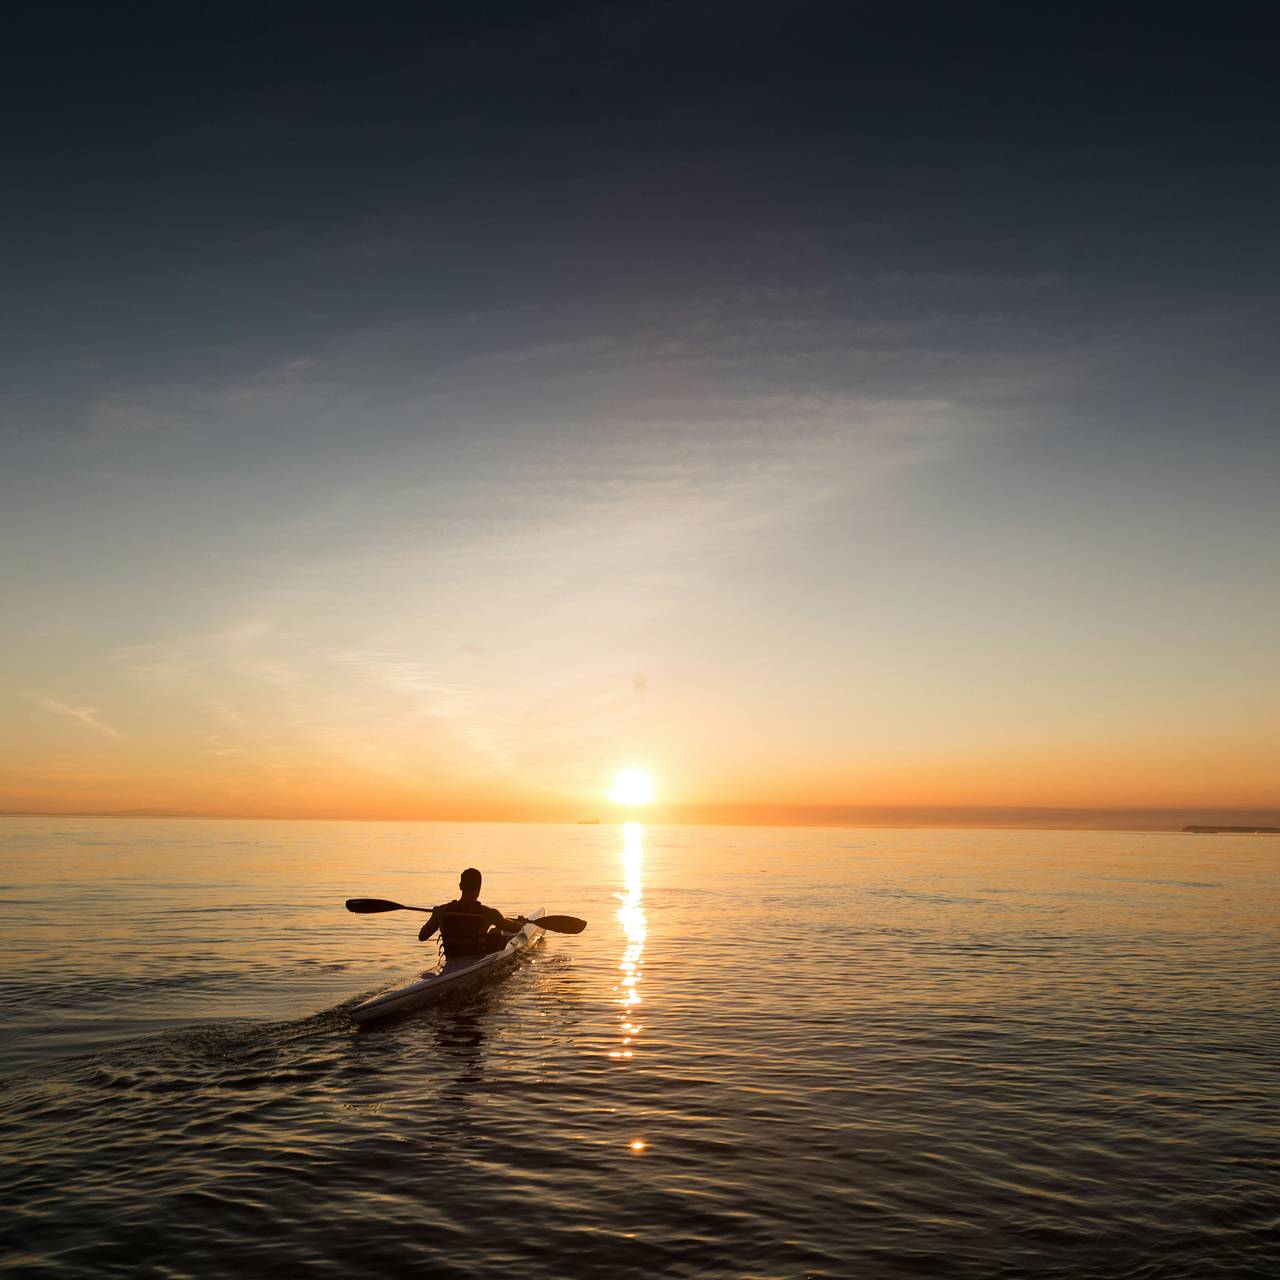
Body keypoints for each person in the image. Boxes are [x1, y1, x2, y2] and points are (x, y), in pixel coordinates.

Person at [419, 867, 527, 960]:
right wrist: (521, 922)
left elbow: (422, 936)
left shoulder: (442, 911)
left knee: (495, 931)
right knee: (496, 932)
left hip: (451, 960)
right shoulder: (489, 913)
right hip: (476, 960)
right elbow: (515, 929)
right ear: (479, 888)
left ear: (460, 886)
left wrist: (434, 916)